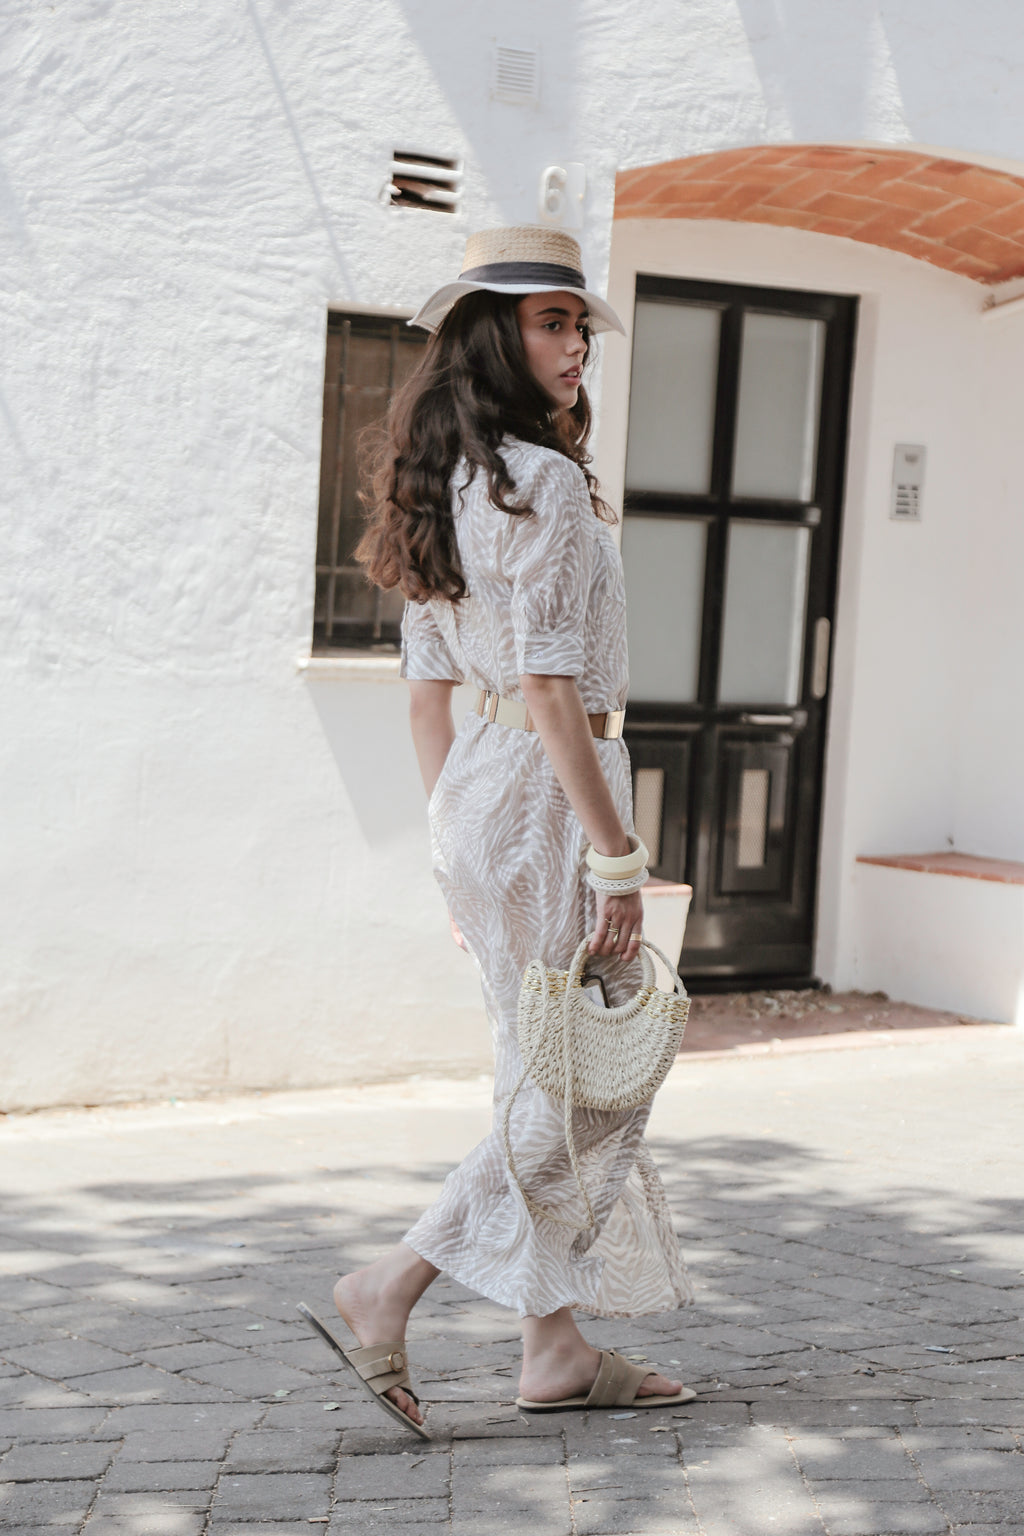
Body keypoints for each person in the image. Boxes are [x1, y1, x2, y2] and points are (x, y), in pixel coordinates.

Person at [300, 227, 693, 1436]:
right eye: (550, 321)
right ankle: (389, 1283)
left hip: (474, 795)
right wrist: (614, 853)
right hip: (541, 788)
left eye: (581, 324)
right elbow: (551, 686)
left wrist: (446, 851)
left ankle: (554, 1346)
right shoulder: (549, 483)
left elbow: (427, 689)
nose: (576, 345)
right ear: (492, 334)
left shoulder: (445, 483)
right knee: (587, 1079)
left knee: (541, 1066)